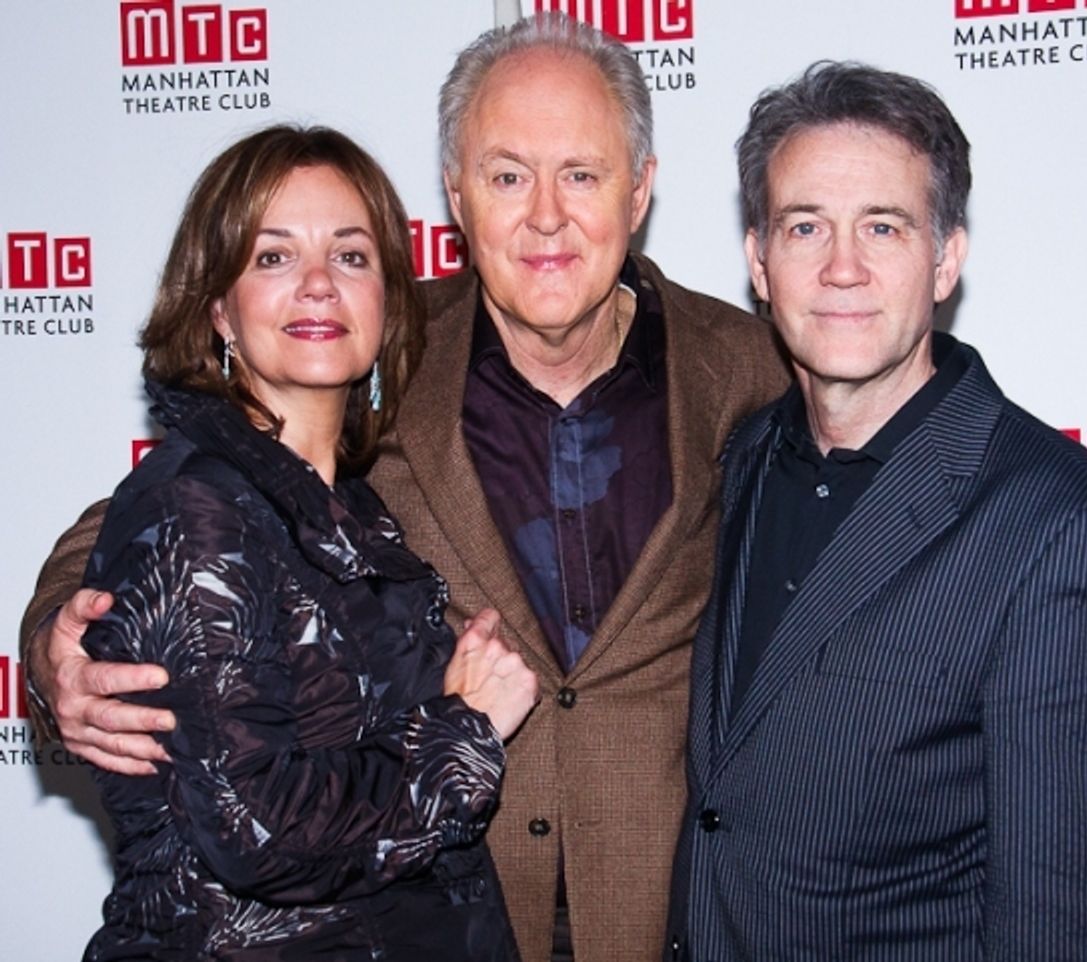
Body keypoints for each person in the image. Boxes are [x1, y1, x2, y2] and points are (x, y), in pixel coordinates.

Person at [19, 14, 790, 962]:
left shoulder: (747, 368)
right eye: (507, 176)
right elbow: (154, 513)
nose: (546, 216)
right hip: (434, 901)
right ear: (456, 195)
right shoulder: (373, 343)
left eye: (582, 175)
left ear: (639, 190)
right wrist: (56, 649)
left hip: (666, 912)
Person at [664, 61, 1087, 961]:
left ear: (946, 259)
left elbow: (1076, 930)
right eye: (805, 226)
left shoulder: (1063, 532)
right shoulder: (738, 461)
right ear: (758, 261)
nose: (842, 268)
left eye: (883, 227)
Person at [65, 124, 540, 960]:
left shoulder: (343, 500)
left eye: (351, 256)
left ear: (387, 302)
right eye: (274, 256)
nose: (319, 284)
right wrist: (464, 726)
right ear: (218, 306)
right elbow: (256, 826)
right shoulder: (197, 504)